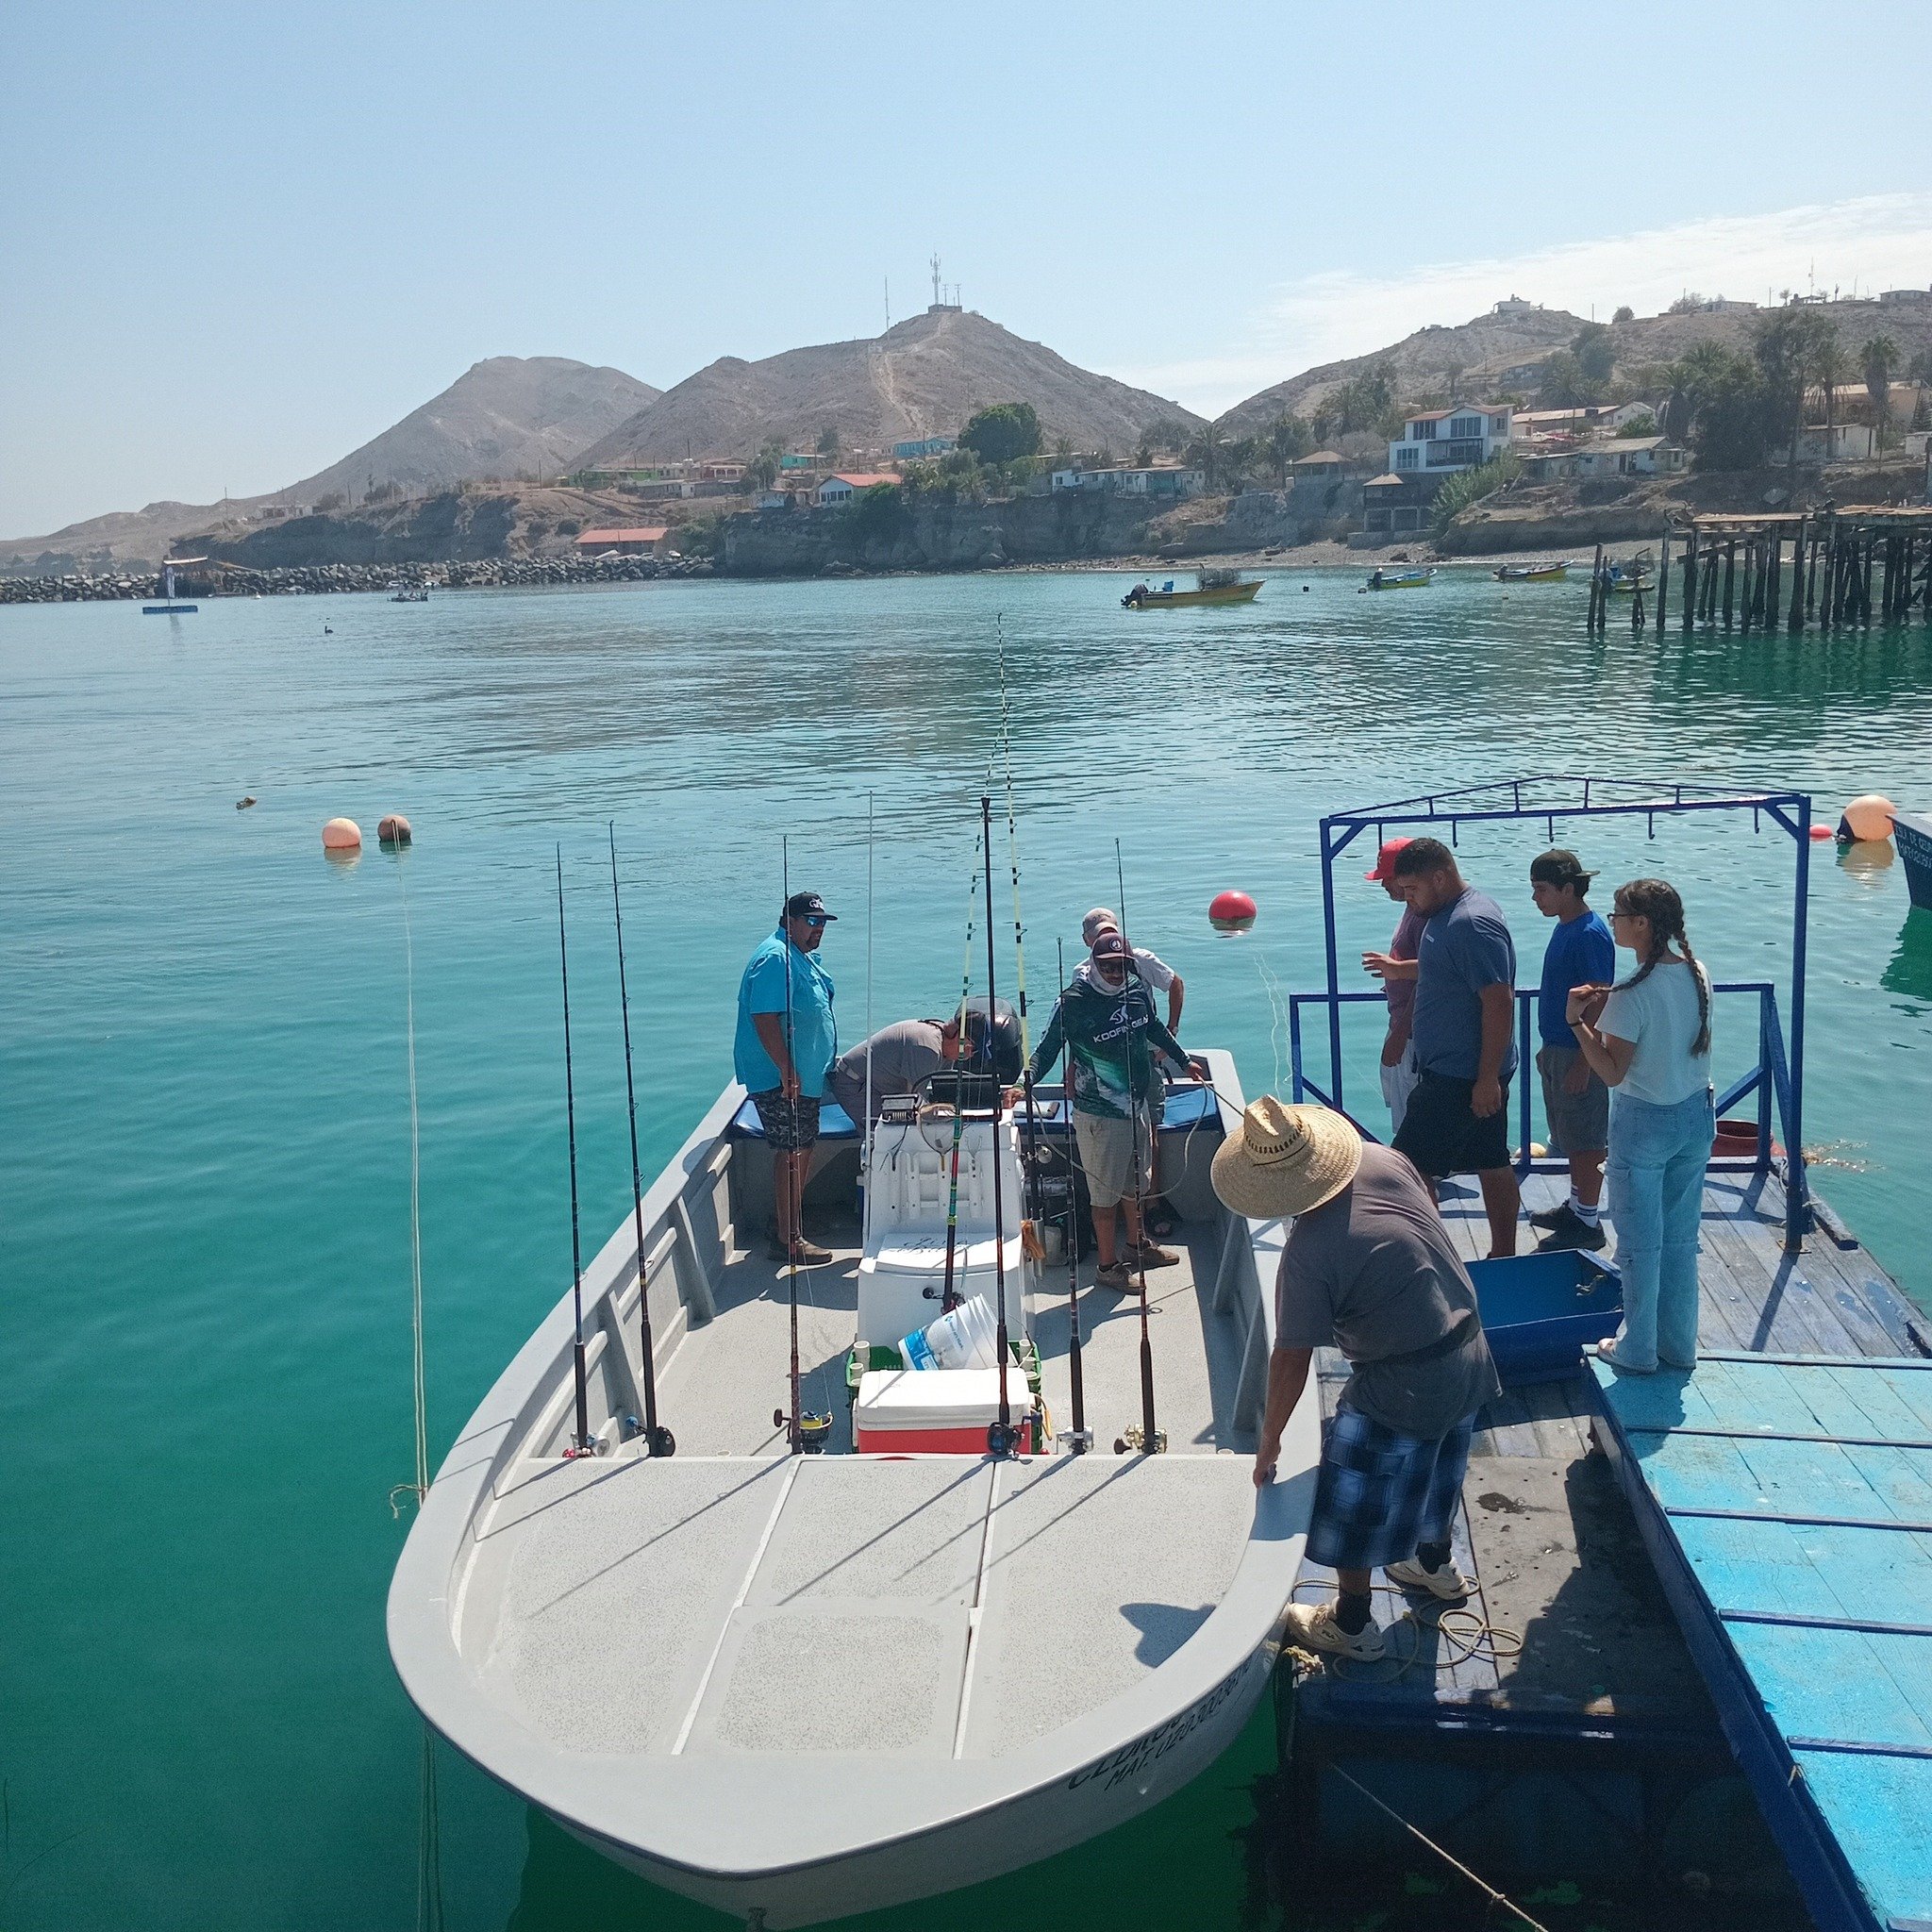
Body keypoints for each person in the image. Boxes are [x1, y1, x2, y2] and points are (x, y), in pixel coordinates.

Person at [1213, 1098, 1501, 1663]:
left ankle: (1351, 1624)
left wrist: (1268, 1443)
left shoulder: (1307, 1253)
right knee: (1442, 1461)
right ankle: (1434, 1566)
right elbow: (1428, 1202)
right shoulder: (1384, 1158)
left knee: (1354, 1490)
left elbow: (1291, 1359)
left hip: (1403, 1380)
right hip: (1470, 1344)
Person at [1566, 878, 1714, 1375]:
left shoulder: (1631, 993)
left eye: (1618, 915)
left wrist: (1577, 1024)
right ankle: (1677, 1345)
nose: (1613, 922)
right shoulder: (1697, 972)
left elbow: (1611, 1073)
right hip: (1696, 1115)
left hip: (1646, 1122)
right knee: (1679, 1240)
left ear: (1642, 924)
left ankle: (1636, 1348)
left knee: (1639, 1245)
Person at [1022, 931, 1208, 1291]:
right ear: (1093, 964)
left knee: (1136, 1186)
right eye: (1106, 966)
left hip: (1136, 1107)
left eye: (1121, 966)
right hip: (1099, 1117)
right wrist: (1023, 1083)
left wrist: (1184, 1061)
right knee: (1104, 1197)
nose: (1114, 973)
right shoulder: (1073, 1002)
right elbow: (1047, 1049)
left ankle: (1137, 1246)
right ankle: (1107, 1267)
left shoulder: (1136, 990)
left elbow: (1153, 1028)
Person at [1388, 839, 1522, 1257]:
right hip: (1457, 1070)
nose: (1407, 900)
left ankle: (1430, 1257)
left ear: (1440, 877)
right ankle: (1503, 1254)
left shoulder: (1470, 923)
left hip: (1461, 1076)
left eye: (1412, 889)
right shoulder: (1441, 916)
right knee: (1492, 1160)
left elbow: (1499, 1001)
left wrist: (1486, 1079)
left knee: (1408, 1169)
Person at [733, 891, 839, 1263]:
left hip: (804, 1077)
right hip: (782, 1080)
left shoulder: (798, 956)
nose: (818, 929)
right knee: (792, 1151)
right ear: (789, 921)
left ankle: (788, 1220)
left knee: (803, 1145)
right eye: (811, 922)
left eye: (822, 923)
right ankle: (787, 1239)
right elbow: (764, 1017)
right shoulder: (776, 958)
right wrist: (785, 1067)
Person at [1527, 849, 1615, 1254]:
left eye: (1541, 890)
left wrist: (1584, 1062)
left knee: (1585, 1142)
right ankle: (1579, 1208)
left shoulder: (1589, 933)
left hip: (1578, 1052)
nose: (1535, 899)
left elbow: (1599, 999)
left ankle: (1588, 1222)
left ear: (1567, 889)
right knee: (1569, 1136)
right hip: (1557, 1048)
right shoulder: (1566, 926)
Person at [1077, 907, 1186, 1235]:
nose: (1108, 941)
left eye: (1112, 932)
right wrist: (1073, 1070)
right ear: (1087, 942)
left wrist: (1171, 1034)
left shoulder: (1141, 959)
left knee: (1150, 1127)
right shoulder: (1080, 975)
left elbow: (1175, 983)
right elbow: (1075, 1029)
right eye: (1099, 936)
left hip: (1146, 1062)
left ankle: (1152, 1203)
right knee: (1110, 1137)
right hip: (1105, 1070)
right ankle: (1114, 1216)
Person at [1359, 838, 1423, 1135]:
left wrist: (1399, 1035)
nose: (1383, 884)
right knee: (1401, 1110)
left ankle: (1416, 1178)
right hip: (1401, 1024)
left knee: (1411, 1123)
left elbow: (1434, 975)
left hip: (1411, 1034)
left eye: (1387, 878)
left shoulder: (1424, 916)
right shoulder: (1413, 908)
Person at [826, 1015, 961, 1126]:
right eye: (972, 1047)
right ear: (958, 1037)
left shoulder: (947, 1048)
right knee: (887, 1132)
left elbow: (941, 1091)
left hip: (883, 1088)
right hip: (856, 1083)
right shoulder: (927, 1049)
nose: (972, 1053)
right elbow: (911, 1102)